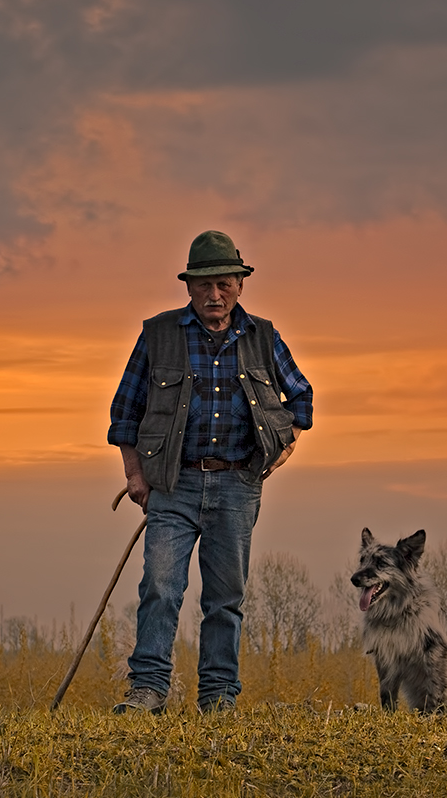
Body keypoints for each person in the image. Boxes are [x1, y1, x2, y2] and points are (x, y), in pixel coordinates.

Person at [106, 230, 313, 713]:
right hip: (172, 484)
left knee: (225, 598)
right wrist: (136, 476)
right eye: (204, 285)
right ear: (189, 288)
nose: (214, 295)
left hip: (238, 485)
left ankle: (218, 698)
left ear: (240, 284)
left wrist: (283, 448)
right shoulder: (158, 334)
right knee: (159, 587)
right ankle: (149, 692)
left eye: (224, 283)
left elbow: (300, 398)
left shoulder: (264, 336)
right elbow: (124, 412)